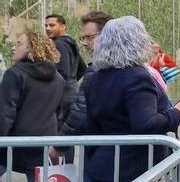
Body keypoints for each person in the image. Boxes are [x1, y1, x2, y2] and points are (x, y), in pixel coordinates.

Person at [84, 16, 180, 182]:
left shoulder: (94, 78)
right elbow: (146, 123)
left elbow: (91, 127)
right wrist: (176, 113)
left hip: (101, 165)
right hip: (134, 168)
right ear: (137, 41)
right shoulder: (137, 76)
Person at [0, 30, 64, 182]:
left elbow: (5, 113)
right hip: (45, 144)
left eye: (19, 43)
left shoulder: (14, 74)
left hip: (16, 144)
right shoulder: (59, 78)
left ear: (31, 48)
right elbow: (60, 112)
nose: (13, 48)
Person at [59, 11, 113, 136]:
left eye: (89, 37)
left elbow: (80, 112)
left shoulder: (95, 71)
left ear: (107, 36)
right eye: (83, 38)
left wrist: (58, 145)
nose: (84, 43)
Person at [45, 14, 86, 121]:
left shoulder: (59, 44)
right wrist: (72, 82)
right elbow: (82, 68)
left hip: (63, 98)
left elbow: (62, 73)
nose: (48, 28)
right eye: (46, 26)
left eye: (52, 25)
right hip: (71, 93)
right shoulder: (70, 43)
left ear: (63, 27)